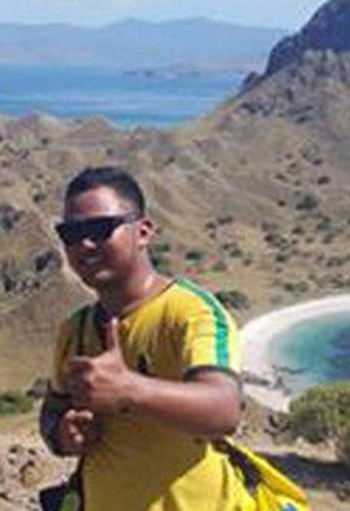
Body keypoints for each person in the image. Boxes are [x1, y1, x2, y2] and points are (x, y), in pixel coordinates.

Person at [39, 166, 246, 510]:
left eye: (100, 229)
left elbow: (224, 410)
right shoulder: (75, 330)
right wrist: (63, 434)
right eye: (71, 233)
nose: (85, 244)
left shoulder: (189, 312)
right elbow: (52, 412)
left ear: (143, 232)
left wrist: (129, 389)